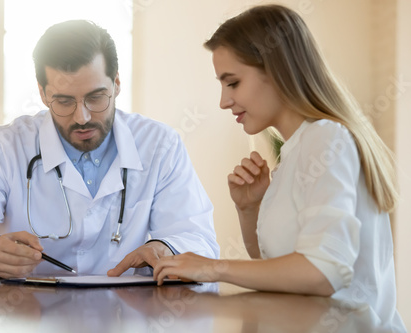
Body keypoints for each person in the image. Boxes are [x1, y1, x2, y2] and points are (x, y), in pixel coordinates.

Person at [154, 4, 405, 330]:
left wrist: (213, 267)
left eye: (232, 83)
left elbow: (322, 272)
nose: (223, 101)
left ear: (276, 71)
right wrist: (250, 209)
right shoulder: (296, 150)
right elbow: (280, 267)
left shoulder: (326, 140)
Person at [0, 20, 219, 279]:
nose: (83, 117)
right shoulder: (4, 147)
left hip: (130, 314)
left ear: (116, 84)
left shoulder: (160, 145)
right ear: (42, 94)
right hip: (28, 315)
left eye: (96, 97)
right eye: (64, 101)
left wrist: (164, 247)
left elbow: (199, 239)